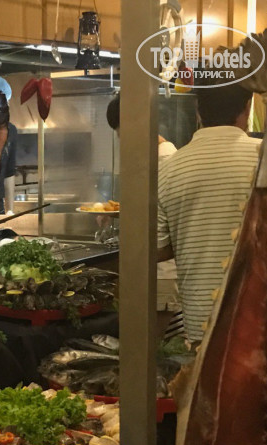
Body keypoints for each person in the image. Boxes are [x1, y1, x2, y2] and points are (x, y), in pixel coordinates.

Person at [157, 82, 260, 345]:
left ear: (198, 110)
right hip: (263, 317)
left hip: (200, 320)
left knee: (204, 371)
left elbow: (157, 248)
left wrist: (193, 234)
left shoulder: (170, 169)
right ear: (247, 108)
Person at [106, 94, 181, 337]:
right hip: (151, 270)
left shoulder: (165, 161)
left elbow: (168, 223)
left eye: (122, 135)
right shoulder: (154, 159)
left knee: (152, 346)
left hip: (161, 273)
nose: (123, 143)